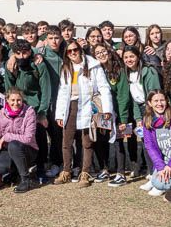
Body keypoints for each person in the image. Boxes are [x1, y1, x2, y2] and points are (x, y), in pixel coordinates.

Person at [54, 39, 113, 187]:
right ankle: (66, 170)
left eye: (75, 50)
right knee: (66, 141)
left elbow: (104, 88)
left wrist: (107, 109)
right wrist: (60, 114)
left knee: (87, 141)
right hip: (71, 106)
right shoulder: (66, 67)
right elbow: (62, 92)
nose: (73, 53)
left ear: (80, 50)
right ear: (66, 54)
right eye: (70, 51)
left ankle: (85, 172)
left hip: (89, 106)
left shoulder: (93, 65)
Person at [114, 45, 161, 189]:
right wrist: (138, 118)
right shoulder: (128, 73)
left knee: (154, 144)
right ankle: (152, 174)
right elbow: (134, 98)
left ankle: (158, 177)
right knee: (147, 144)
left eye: (132, 56)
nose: (129, 59)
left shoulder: (148, 71)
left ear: (138, 57)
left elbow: (155, 95)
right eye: (126, 57)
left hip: (152, 109)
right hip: (140, 109)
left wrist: (149, 115)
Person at [4, 39, 51, 182]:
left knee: (40, 137)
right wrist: (11, 109)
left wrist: (42, 112)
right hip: (18, 107)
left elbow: (46, 89)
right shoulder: (11, 65)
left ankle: (41, 167)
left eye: (25, 53)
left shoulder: (38, 64)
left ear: (30, 51)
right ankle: (17, 169)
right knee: (17, 137)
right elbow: (9, 89)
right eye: (18, 53)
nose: (22, 56)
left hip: (36, 107)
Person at [0, 87, 39, 193]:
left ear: (23, 100)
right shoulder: (0, 114)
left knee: (14, 145)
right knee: (0, 167)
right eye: (12, 100)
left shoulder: (29, 112)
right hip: (8, 150)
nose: (16, 103)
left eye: (19, 100)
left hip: (28, 150)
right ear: (7, 100)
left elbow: (28, 138)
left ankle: (25, 179)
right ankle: (15, 173)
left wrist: (7, 137)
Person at [92, 43, 122, 183]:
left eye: (103, 51)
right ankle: (104, 168)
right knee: (101, 137)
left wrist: (122, 113)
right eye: (97, 53)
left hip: (118, 109)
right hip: (101, 109)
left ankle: (120, 171)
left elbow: (123, 94)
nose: (101, 55)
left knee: (118, 138)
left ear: (109, 52)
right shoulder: (96, 70)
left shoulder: (118, 69)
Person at [40, 26, 65, 179]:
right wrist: (12, 57)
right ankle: (48, 162)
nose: (54, 41)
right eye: (51, 38)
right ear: (46, 40)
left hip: (63, 100)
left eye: (57, 38)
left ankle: (61, 163)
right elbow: (20, 54)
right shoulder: (40, 54)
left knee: (60, 135)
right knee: (48, 135)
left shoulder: (67, 53)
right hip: (47, 101)